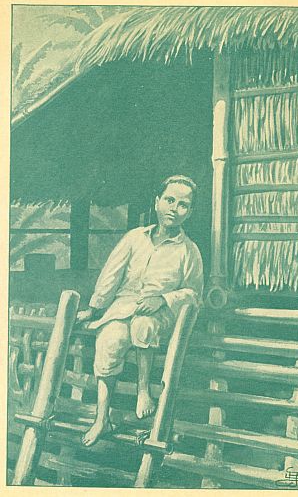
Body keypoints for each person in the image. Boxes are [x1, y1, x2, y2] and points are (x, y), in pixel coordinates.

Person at [77, 175, 204, 447]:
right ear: (157, 202)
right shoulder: (135, 238)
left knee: (143, 325)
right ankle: (102, 418)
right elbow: (111, 274)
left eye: (183, 204)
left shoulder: (189, 251)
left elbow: (194, 294)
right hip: (124, 308)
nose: (174, 208)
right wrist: (94, 308)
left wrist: (164, 299)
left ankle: (143, 391)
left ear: (190, 212)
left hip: (161, 315)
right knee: (110, 339)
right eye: (169, 200)